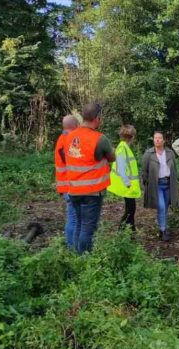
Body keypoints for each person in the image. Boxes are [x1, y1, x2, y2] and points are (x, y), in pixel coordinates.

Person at [65, 103, 115, 254]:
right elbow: (112, 157)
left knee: (79, 224)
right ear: (97, 119)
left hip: (73, 190)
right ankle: (84, 260)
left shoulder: (70, 136)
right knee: (88, 228)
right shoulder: (100, 139)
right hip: (91, 192)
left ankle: (75, 255)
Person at [141, 131, 179, 241]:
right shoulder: (148, 154)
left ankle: (162, 226)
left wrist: (176, 182)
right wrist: (146, 185)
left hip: (168, 183)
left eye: (159, 138)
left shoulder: (170, 153)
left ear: (163, 140)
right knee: (161, 206)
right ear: (153, 140)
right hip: (156, 185)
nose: (157, 140)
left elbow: (174, 169)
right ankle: (163, 231)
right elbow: (144, 171)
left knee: (165, 208)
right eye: (155, 138)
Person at [107, 124, 141, 232]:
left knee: (131, 209)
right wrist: (127, 183)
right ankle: (121, 232)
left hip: (127, 185)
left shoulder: (124, 147)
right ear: (132, 137)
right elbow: (122, 168)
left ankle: (132, 232)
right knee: (130, 210)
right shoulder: (122, 148)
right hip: (126, 186)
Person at [54, 115, 79, 248]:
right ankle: (71, 247)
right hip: (70, 186)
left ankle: (72, 246)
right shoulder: (67, 141)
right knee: (73, 219)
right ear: (75, 125)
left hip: (67, 185)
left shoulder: (62, 139)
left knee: (73, 218)